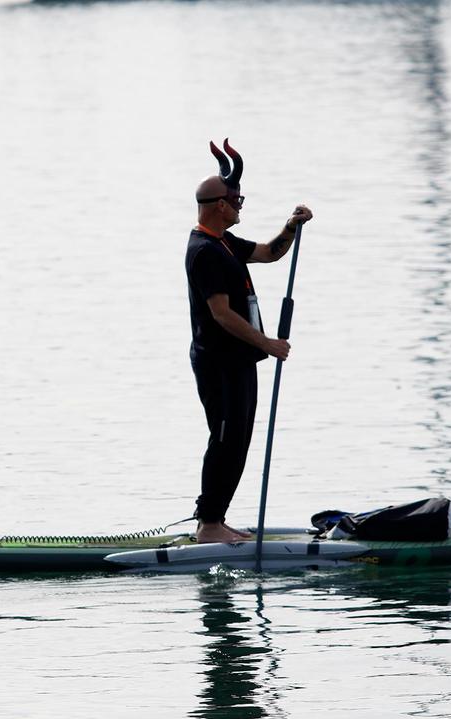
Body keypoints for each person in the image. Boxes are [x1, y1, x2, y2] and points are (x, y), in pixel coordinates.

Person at [185, 139, 312, 544]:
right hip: (218, 361)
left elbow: (270, 253)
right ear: (218, 206)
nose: (240, 206)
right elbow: (221, 314)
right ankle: (208, 524)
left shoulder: (225, 243)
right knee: (224, 438)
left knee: (239, 439)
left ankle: (217, 520)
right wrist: (268, 343)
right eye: (236, 201)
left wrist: (291, 227)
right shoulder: (204, 251)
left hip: (239, 361)